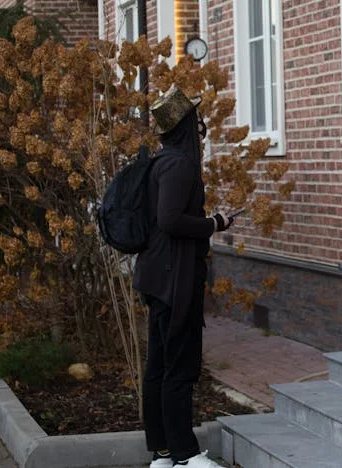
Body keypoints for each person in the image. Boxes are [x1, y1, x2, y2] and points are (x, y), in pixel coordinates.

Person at [132, 84, 231, 468]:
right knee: (178, 366)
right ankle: (185, 455)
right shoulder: (179, 164)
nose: (202, 126)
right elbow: (170, 220)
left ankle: (162, 452)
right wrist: (213, 223)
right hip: (175, 281)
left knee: (159, 365)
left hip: (158, 278)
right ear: (187, 125)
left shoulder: (161, 160)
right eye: (197, 119)